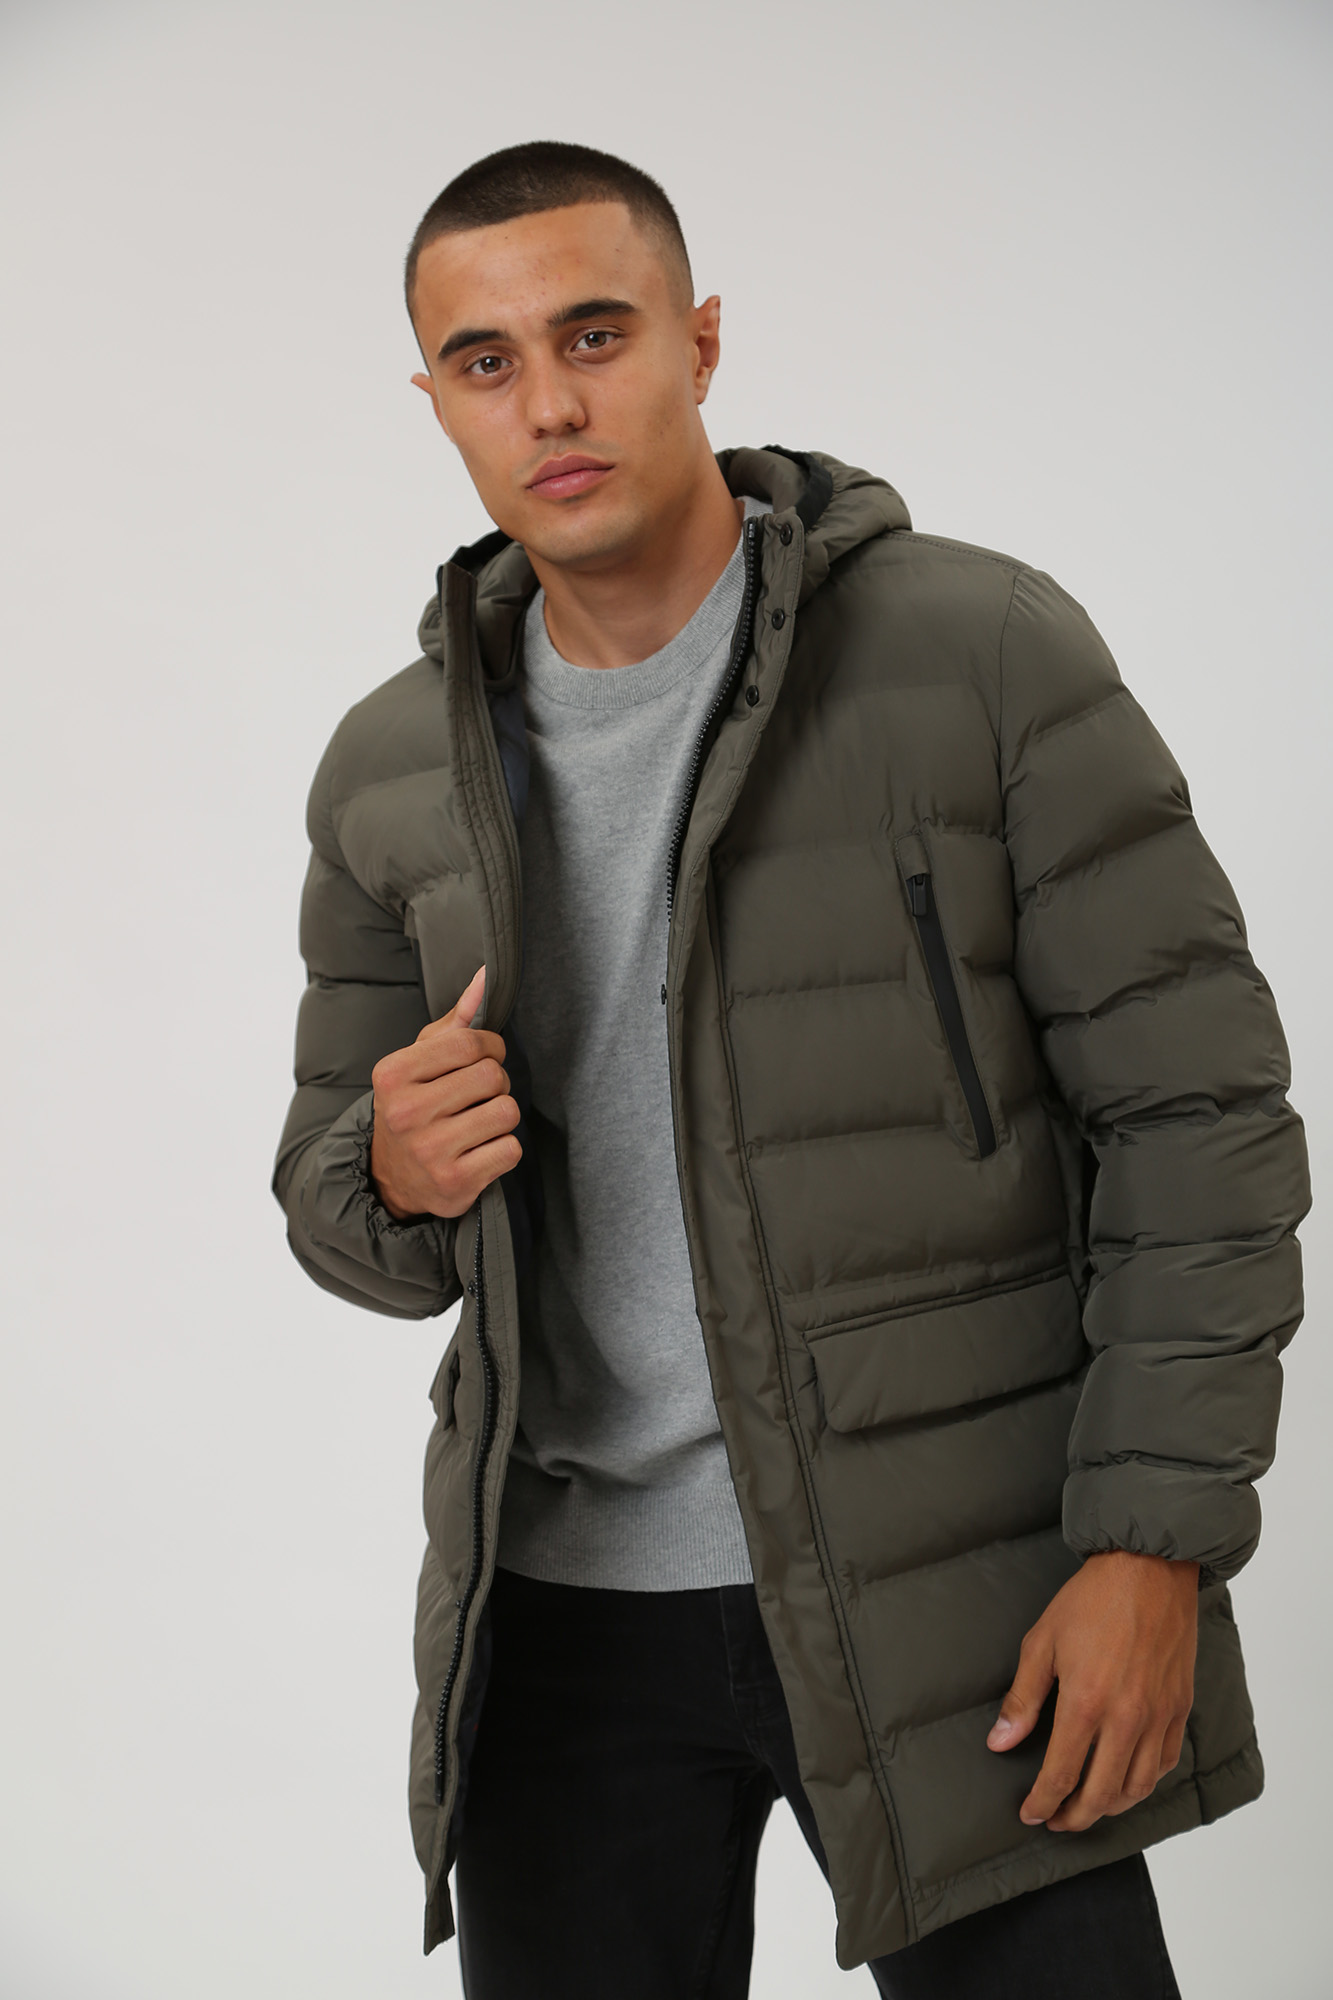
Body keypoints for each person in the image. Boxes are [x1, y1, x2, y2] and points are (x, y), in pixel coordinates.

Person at [271, 141, 1309, 1999]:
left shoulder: (976, 652)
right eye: (487, 361)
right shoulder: (389, 769)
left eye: (595, 333)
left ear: (700, 341)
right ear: (433, 398)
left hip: (951, 1588)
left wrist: (1152, 1551)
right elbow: (338, 1206)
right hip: (563, 1627)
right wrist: (393, 1173)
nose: (550, 402)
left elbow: (1198, 1120)